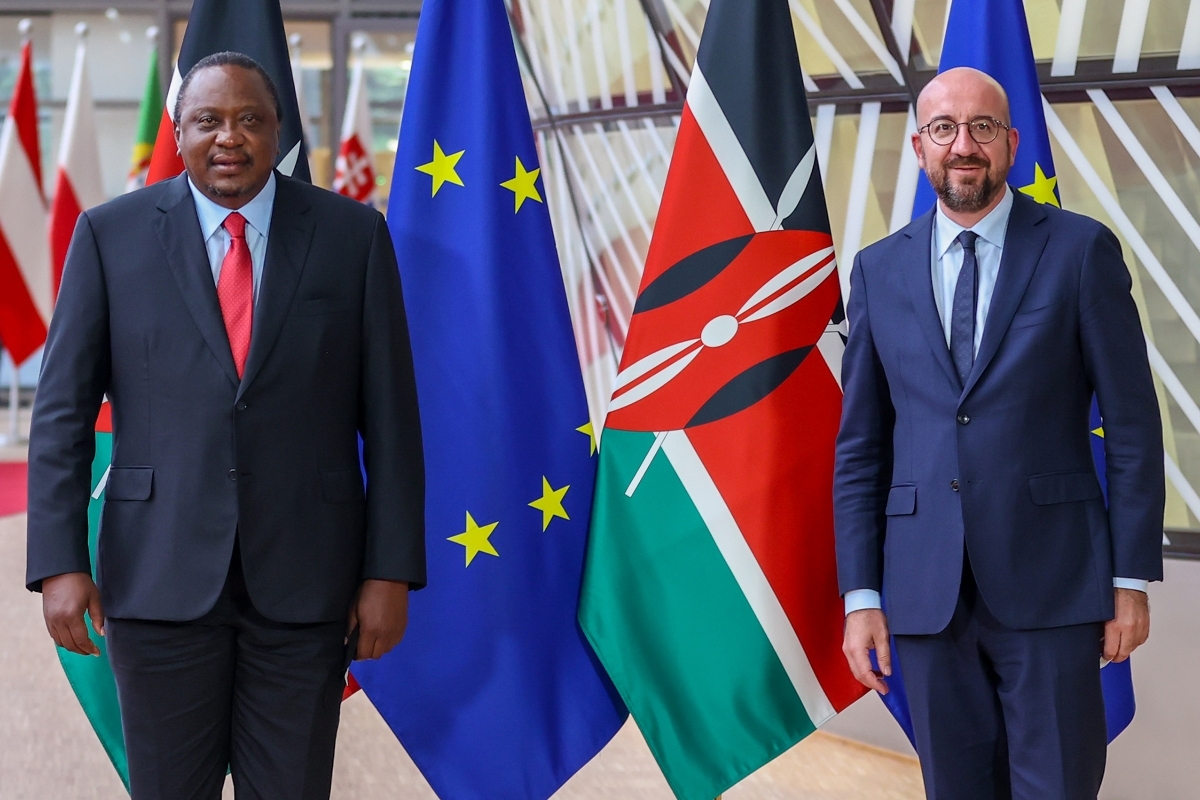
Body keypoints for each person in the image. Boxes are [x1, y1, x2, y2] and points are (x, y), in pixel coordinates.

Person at [26, 52, 425, 800]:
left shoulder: (352, 238)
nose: (229, 137)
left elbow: (394, 421)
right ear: (179, 133)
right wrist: (58, 562)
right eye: (208, 120)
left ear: (278, 132)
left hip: (307, 587)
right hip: (157, 581)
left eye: (250, 119)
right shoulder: (110, 238)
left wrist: (389, 570)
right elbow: (60, 416)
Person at [834, 67, 1164, 800]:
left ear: (1011, 144)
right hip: (924, 596)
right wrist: (861, 596)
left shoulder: (1080, 252)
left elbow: (1134, 425)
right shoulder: (877, 271)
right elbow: (861, 447)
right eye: (945, 129)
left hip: (1054, 586)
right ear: (919, 147)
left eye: (982, 127)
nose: (964, 145)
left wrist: (1130, 579)